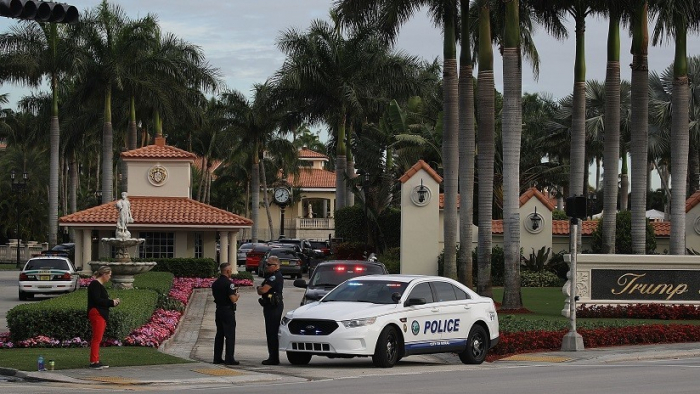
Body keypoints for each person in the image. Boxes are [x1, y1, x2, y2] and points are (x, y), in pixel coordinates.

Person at [87, 266, 120, 369]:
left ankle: (95, 360)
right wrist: (111, 302)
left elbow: (100, 300)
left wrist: (112, 302)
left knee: (98, 338)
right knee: (97, 338)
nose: (109, 277)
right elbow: (97, 300)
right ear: (104, 274)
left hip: (100, 313)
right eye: (109, 275)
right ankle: (94, 362)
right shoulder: (95, 284)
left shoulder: (98, 285)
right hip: (97, 313)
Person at [257, 255, 284, 365]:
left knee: (272, 332)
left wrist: (259, 289)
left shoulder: (274, 277)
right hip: (269, 305)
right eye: (266, 264)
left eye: (269, 264)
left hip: (273, 306)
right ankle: (272, 356)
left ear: (276, 265)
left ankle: (273, 358)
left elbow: (263, 290)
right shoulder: (271, 276)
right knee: (270, 332)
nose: (267, 266)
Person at [212, 262, 240, 366]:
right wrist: (237, 296)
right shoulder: (229, 283)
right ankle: (229, 358)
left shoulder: (215, 283)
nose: (231, 272)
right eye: (231, 270)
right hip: (228, 311)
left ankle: (217, 357)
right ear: (227, 271)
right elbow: (233, 299)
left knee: (219, 334)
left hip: (218, 309)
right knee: (229, 335)